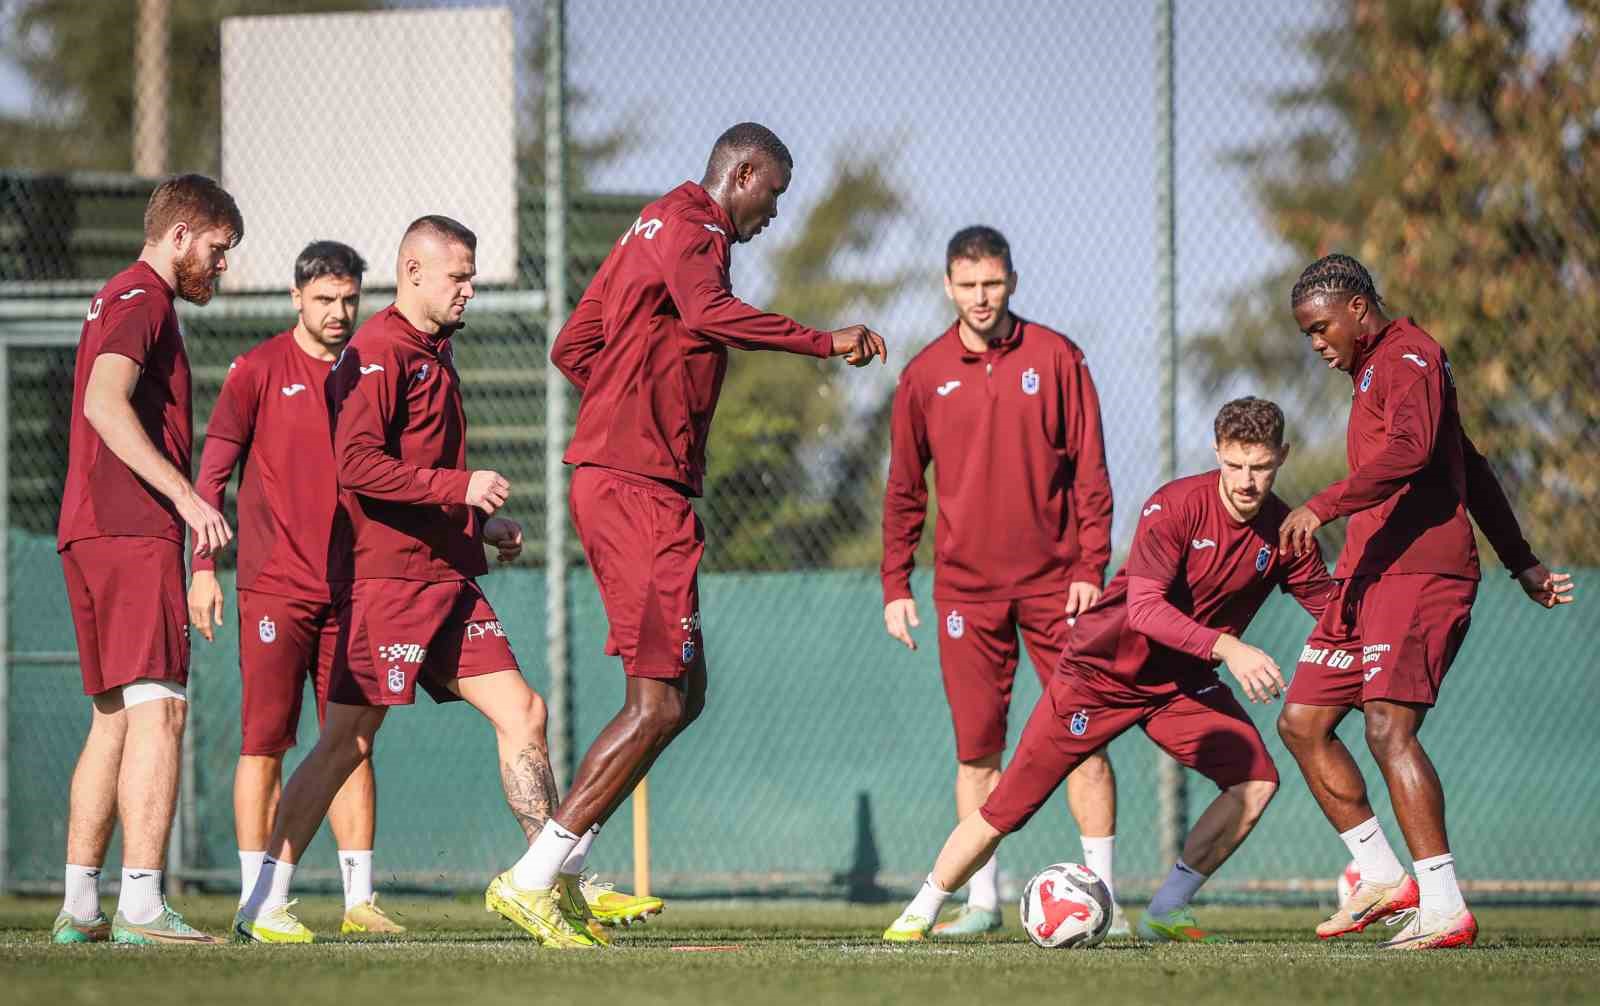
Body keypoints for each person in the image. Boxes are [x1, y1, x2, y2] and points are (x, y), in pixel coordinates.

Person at [517, 122, 886, 940]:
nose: (774, 214)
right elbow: (707, 312)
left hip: (627, 479)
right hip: (637, 488)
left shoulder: (651, 222)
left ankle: (562, 870)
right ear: (743, 173)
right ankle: (534, 877)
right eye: (774, 195)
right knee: (656, 702)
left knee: (684, 696)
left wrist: (629, 395)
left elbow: (573, 345)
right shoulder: (696, 228)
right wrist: (823, 342)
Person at [236, 216, 582, 947]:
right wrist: (460, 488)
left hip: (446, 577)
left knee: (525, 712)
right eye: (458, 276)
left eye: (472, 277)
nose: (469, 289)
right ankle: (263, 900)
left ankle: (546, 882)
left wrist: (476, 526)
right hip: (387, 587)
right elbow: (357, 464)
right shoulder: (377, 351)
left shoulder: (435, 350)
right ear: (414, 272)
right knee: (345, 744)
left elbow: (417, 471)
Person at [885, 397, 1330, 944]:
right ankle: (920, 911)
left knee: (1256, 780)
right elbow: (1144, 611)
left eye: (1259, 467)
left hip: (1181, 686)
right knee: (1007, 809)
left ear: (1282, 456)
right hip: (1099, 676)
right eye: (1235, 464)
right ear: (1217, 451)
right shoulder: (1174, 506)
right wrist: (1229, 649)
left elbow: (1332, 610)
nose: (1246, 481)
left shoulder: (1286, 531)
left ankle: (1167, 908)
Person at [1277, 253, 1574, 951]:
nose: (1316, 342)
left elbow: (1412, 452)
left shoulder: (1410, 356)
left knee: (1388, 729)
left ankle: (1444, 906)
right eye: (1306, 333)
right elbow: (1471, 465)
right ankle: (1384, 877)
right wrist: (1521, 559)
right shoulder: (1372, 373)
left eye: (1320, 327)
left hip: (1419, 574)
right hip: (1367, 574)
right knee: (1303, 721)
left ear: (1357, 309)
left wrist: (1322, 504)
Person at [881, 225, 1119, 936]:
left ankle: (1106, 901)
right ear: (948, 287)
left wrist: (1091, 566)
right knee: (977, 753)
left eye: (992, 283)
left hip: (1058, 587)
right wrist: (896, 583)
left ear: (1011, 281)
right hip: (965, 594)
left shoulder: (1057, 357)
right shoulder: (924, 375)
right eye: (968, 285)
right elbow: (904, 489)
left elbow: (1091, 471)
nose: (981, 298)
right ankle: (982, 902)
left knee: (1085, 738)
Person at [188, 240, 402, 936]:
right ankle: (258, 900)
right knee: (265, 742)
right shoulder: (255, 370)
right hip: (275, 589)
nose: (339, 312)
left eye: (349, 299)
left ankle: (359, 900)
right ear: (296, 298)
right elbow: (210, 477)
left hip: (356, 588)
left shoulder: (371, 372)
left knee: (352, 740)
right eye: (324, 299)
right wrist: (202, 569)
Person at [53, 174, 242, 945]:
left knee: (114, 718)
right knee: (161, 709)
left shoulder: (117, 295)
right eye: (218, 249)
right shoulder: (145, 299)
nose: (222, 265)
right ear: (179, 235)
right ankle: (139, 905)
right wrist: (188, 499)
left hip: (89, 528)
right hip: (131, 529)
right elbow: (104, 402)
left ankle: (80, 907)